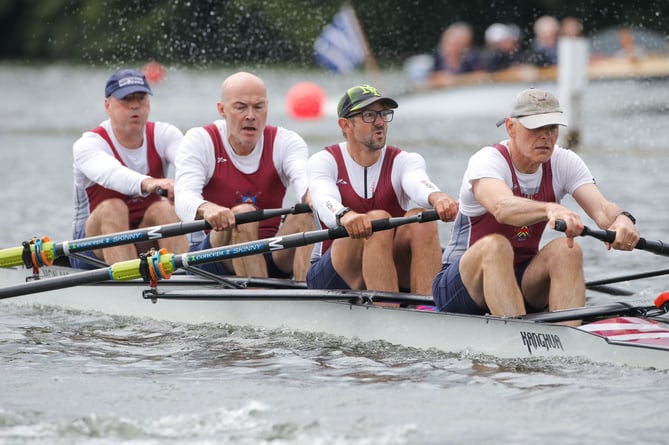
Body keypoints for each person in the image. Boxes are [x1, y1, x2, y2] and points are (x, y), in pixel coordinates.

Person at [432, 87, 640, 324]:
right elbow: (502, 207)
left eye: (552, 128)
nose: (545, 136)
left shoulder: (563, 161)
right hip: (461, 288)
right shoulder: (487, 160)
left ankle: (568, 342)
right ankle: (522, 339)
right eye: (536, 127)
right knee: (495, 246)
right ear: (511, 127)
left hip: (521, 280)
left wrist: (623, 220)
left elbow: (603, 210)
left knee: (567, 249)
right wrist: (549, 208)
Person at [306, 84, 459, 295]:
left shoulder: (405, 160)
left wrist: (438, 198)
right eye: (369, 115)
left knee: (422, 219)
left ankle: (428, 310)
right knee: (378, 219)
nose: (379, 122)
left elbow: (418, 183)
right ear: (345, 125)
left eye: (383, 114)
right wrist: (344, 215)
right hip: (333, 274)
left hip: (388, 263)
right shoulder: (324, 161)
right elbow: (323, 198)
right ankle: (388, 310)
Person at [174, 71, 313, 280]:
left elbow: (305, 183)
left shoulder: (287, 142)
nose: (251, 116)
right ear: (222, 110)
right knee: (244, 214)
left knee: (306, 212)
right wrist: (208, 208)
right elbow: (183, 199)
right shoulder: (200, 140)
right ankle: (261, 297)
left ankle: (310, 301)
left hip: (271, 252)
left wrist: (316, 199)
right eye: (240, 107)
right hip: (212, 257)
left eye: (258, 107)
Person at [71, 68, 188, 268]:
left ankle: (183, 280)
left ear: (148, 103)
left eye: (141, 98)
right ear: (108, 106)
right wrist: (150, 183)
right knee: (114, 207)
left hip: (144, 238)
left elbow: (191, 165)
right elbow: (112, 174)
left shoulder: (165, 134)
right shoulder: (88, 144)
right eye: (126, 99)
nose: (134, 105)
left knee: (165, 209)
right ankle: (131, 287)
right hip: (91, 249)